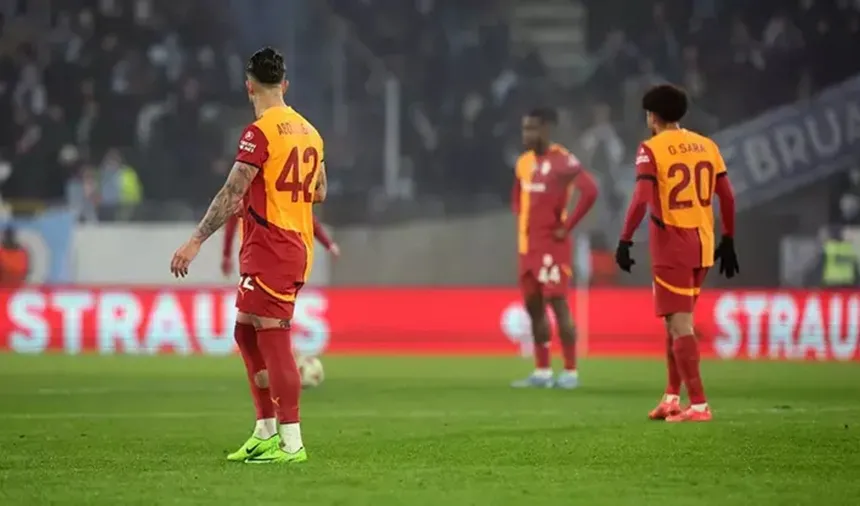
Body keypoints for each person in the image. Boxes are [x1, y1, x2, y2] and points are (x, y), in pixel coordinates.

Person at [170, 46, 326, 463]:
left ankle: (291, 442)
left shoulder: (259, 133)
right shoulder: (311, 132)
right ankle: (264, 430)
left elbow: (231, 191)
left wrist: (196, 240)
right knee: (245, 331)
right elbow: (319, 191)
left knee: (274, 336)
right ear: (284, 84)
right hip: (290, 243)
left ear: (249, 86)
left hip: (274, 245)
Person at [615, 84, 739, 423]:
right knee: (675, 321)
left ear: (652, 116)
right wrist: (728, 238)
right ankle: (671, 397)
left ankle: (698, 405)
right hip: (703, 242)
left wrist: (625, 239)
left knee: (680, 323)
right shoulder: (707, 145)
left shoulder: (651, 149)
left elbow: (641, 198)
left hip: (672, 243)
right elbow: (727, 196)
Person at [510, 108, 599, 389]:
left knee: (558, 305)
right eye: (525, 128)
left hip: (552, 247)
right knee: (534, 308)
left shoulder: (563, 161)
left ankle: (570, 371)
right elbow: (517, 197)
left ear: (546, 129)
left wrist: (567, 226)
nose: (527, 134)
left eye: (532, 128)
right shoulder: (523, 163)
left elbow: (590, 191)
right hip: (527, 248)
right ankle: (543, 371)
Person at [221, 214, 339, 278]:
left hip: (270, 258)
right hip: (259, 257)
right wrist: (226, 255)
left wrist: (328, 244)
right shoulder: (248, 189)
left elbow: (306, 215)